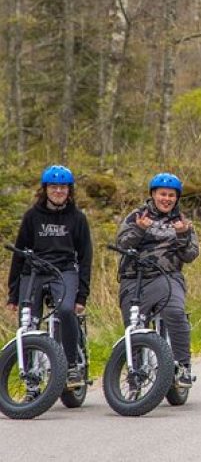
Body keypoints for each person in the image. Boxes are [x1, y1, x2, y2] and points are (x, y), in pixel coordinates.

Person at [6, 165, 93, 389]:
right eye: (53, 187)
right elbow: (19, 254)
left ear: (69, 190)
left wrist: (81, 296)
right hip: (33, 272)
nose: (58, 191)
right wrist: (13, 294)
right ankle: (31, 381)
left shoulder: (77, 218)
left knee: (65, 310)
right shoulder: (32, 216)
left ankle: (72, 366)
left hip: (63, 272)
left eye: (63, 187)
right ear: (45, 189)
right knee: (28, 322)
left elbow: (85, 257)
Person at [116, 172, 198, 388]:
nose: (167, 199)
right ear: (153, 194)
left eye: (172, 195)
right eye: (163, 194)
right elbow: (122, 245)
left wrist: (182, 235)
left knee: (175, 313)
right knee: (134, 324)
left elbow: (190, 256)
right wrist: (140, 229)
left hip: (168, 277)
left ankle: (182, 366)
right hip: (134, 278)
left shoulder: (183, 222)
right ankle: (136, 372)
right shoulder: (136, 216)